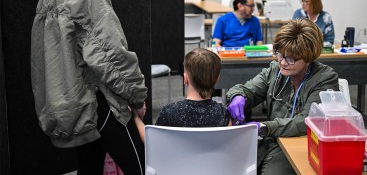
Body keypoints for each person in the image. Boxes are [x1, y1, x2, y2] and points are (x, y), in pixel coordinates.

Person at [31, 0, 147, 175]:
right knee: (141, 168)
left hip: (69, 105)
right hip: (97, 101)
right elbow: (112, 57)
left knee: (89, 169)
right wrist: (137, 97)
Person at [226, 19, 339, 175]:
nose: (283, 62)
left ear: (308, 58)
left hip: (299, 144)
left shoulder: (324, 78)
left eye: (291, 58)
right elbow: (249, 89)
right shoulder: (276, 69)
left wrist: (266, 127)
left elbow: (307, 121)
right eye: (280, 54)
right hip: (270, 141)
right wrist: (238, 96)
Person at [133, 48, 231, 138]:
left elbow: (152, 141)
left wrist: (136, 117)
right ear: (217, 79)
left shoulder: (170, 112)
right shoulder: (223, 113)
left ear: (185, 79)